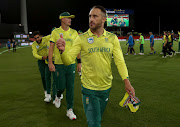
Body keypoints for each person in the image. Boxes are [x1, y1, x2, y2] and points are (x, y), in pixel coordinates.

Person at [56, 5, 135, 126]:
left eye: (95, 16)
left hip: (106, 88)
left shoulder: (112, 38)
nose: (91, 19)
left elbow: (120, 61)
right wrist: (62, 50)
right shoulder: (81, 38)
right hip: (89, 89)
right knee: (94, 123)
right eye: (90, 16)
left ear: (104, 19)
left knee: (97, 118)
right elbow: (67, 60)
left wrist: (126, 81)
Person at [48, 12, 81, 120]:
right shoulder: (55, 32)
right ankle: (58, 96)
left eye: (71, 18)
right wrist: (50, 63)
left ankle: (69, 110)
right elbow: (51, 48)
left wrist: (79, 62)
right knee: (61, 86)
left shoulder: (74, 32)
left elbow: (77, 48)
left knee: (70, 88)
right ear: (62, 19)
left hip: (71, 63)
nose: (70, 20)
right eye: (68, 18)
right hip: (59, 63)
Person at [32, 31, 54, 102]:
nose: (37, 39)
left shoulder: (46, 38)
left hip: (48, 60)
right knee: (43, 76)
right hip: (41, 61)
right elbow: (34, 54)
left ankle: (49, 94)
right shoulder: (34, 44)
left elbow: (53, 34)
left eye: (38, 37)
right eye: (35, 38)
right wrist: (41, 57)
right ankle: (46, 91)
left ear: (41, 36)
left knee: (48, 76)